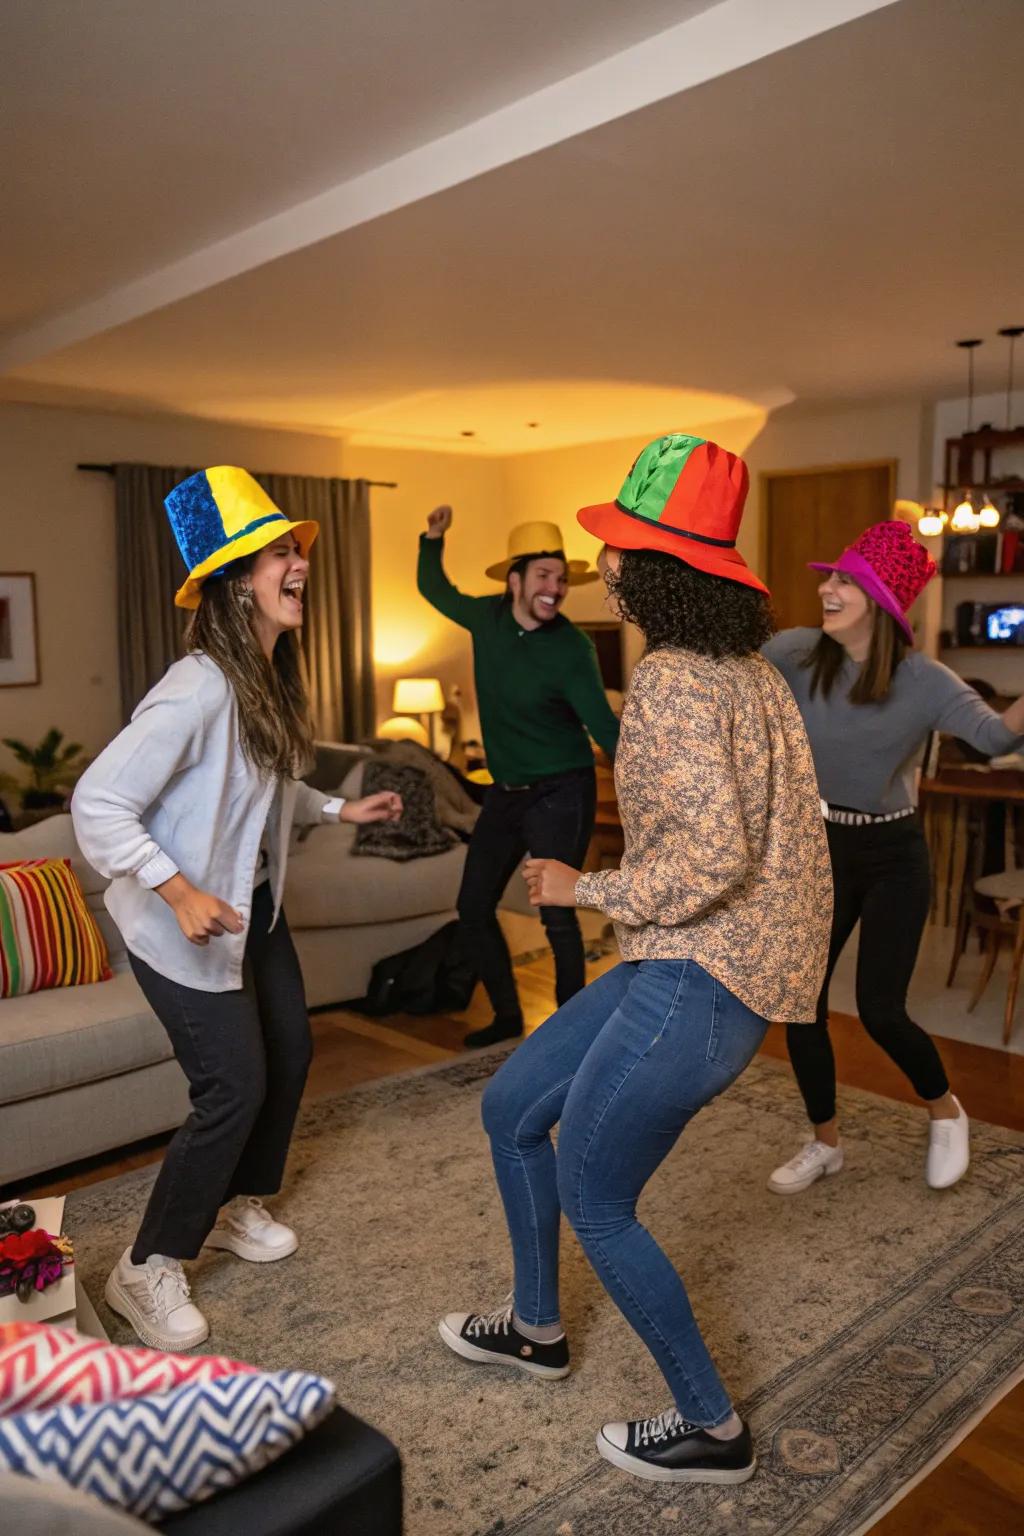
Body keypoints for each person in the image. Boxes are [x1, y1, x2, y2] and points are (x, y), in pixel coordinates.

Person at [437, 434, 832, 1484]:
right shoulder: (743, 670)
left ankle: (709, 1425)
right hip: (686, 965)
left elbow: (714, 853)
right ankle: (534, 1325)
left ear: (654, 571)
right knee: (511, 1107)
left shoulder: (669, 681)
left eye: (613, 547)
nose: (597, 565)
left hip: (700, 980)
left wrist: (585, 886)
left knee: (594, 1193)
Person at [72, 467, 401, 1350]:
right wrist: (175, 889)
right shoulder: (199, 686)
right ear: (232, 582)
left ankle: (231, 1207)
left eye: (296, 548)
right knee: (232, 1087)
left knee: (290, 1052)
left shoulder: (259, 675)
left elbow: (264, 785)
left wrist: (340, 809)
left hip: (251, 909)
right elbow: (97, 802)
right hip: (178, 922)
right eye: (277, 553)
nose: (298, 564)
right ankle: (143, 1268)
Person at [763, 521, 1024, 1197]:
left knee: (881, 1008)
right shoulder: (794, 653)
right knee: (800, 1005)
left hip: (892, 852)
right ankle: (825, 1143)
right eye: (830, 577)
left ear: (879, 600)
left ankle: (946, 1111)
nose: (827, 588)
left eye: (845, 580)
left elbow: (994, 738)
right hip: (820, 846)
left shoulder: (923, 680)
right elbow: (731, 682)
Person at [418, 506, 620, 1047]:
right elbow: (435, 589)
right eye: (543, 577)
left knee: (556, 914)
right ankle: (508, 1016)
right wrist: (432, 539)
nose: (555, 588)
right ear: (515, 581)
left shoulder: (572, 647)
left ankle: (571, 1038)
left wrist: (653, 776)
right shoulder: (488, 619)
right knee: (474, 906)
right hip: (505, 794)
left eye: (561, 578)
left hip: (562, 791)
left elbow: (602, 724)